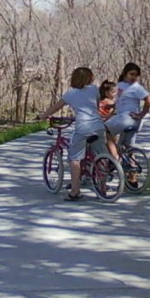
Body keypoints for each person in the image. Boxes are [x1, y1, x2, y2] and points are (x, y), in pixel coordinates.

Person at [37, 67, 106, 201]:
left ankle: (75, 191)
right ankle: (102, 188)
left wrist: (43, 115)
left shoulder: (70, 94)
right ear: (89, 78)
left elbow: (56, 107)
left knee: (75, 158)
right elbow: (96, 107)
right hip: (98, 125)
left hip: (83, 127)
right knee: (101, 154)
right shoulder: (94, 90)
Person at [105, 62, 150, 155]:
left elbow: (149, 99)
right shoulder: (120, 85)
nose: (133, 77)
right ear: (124, 73)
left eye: (136, 75)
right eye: (131, 74)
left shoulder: (136, 87)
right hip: (128, 119)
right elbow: (122, 100)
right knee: (127, 150)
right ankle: (130, 167)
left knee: (103, 130)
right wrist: (112, 106)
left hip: (128, 118)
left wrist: (142, 114)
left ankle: (114, 157)